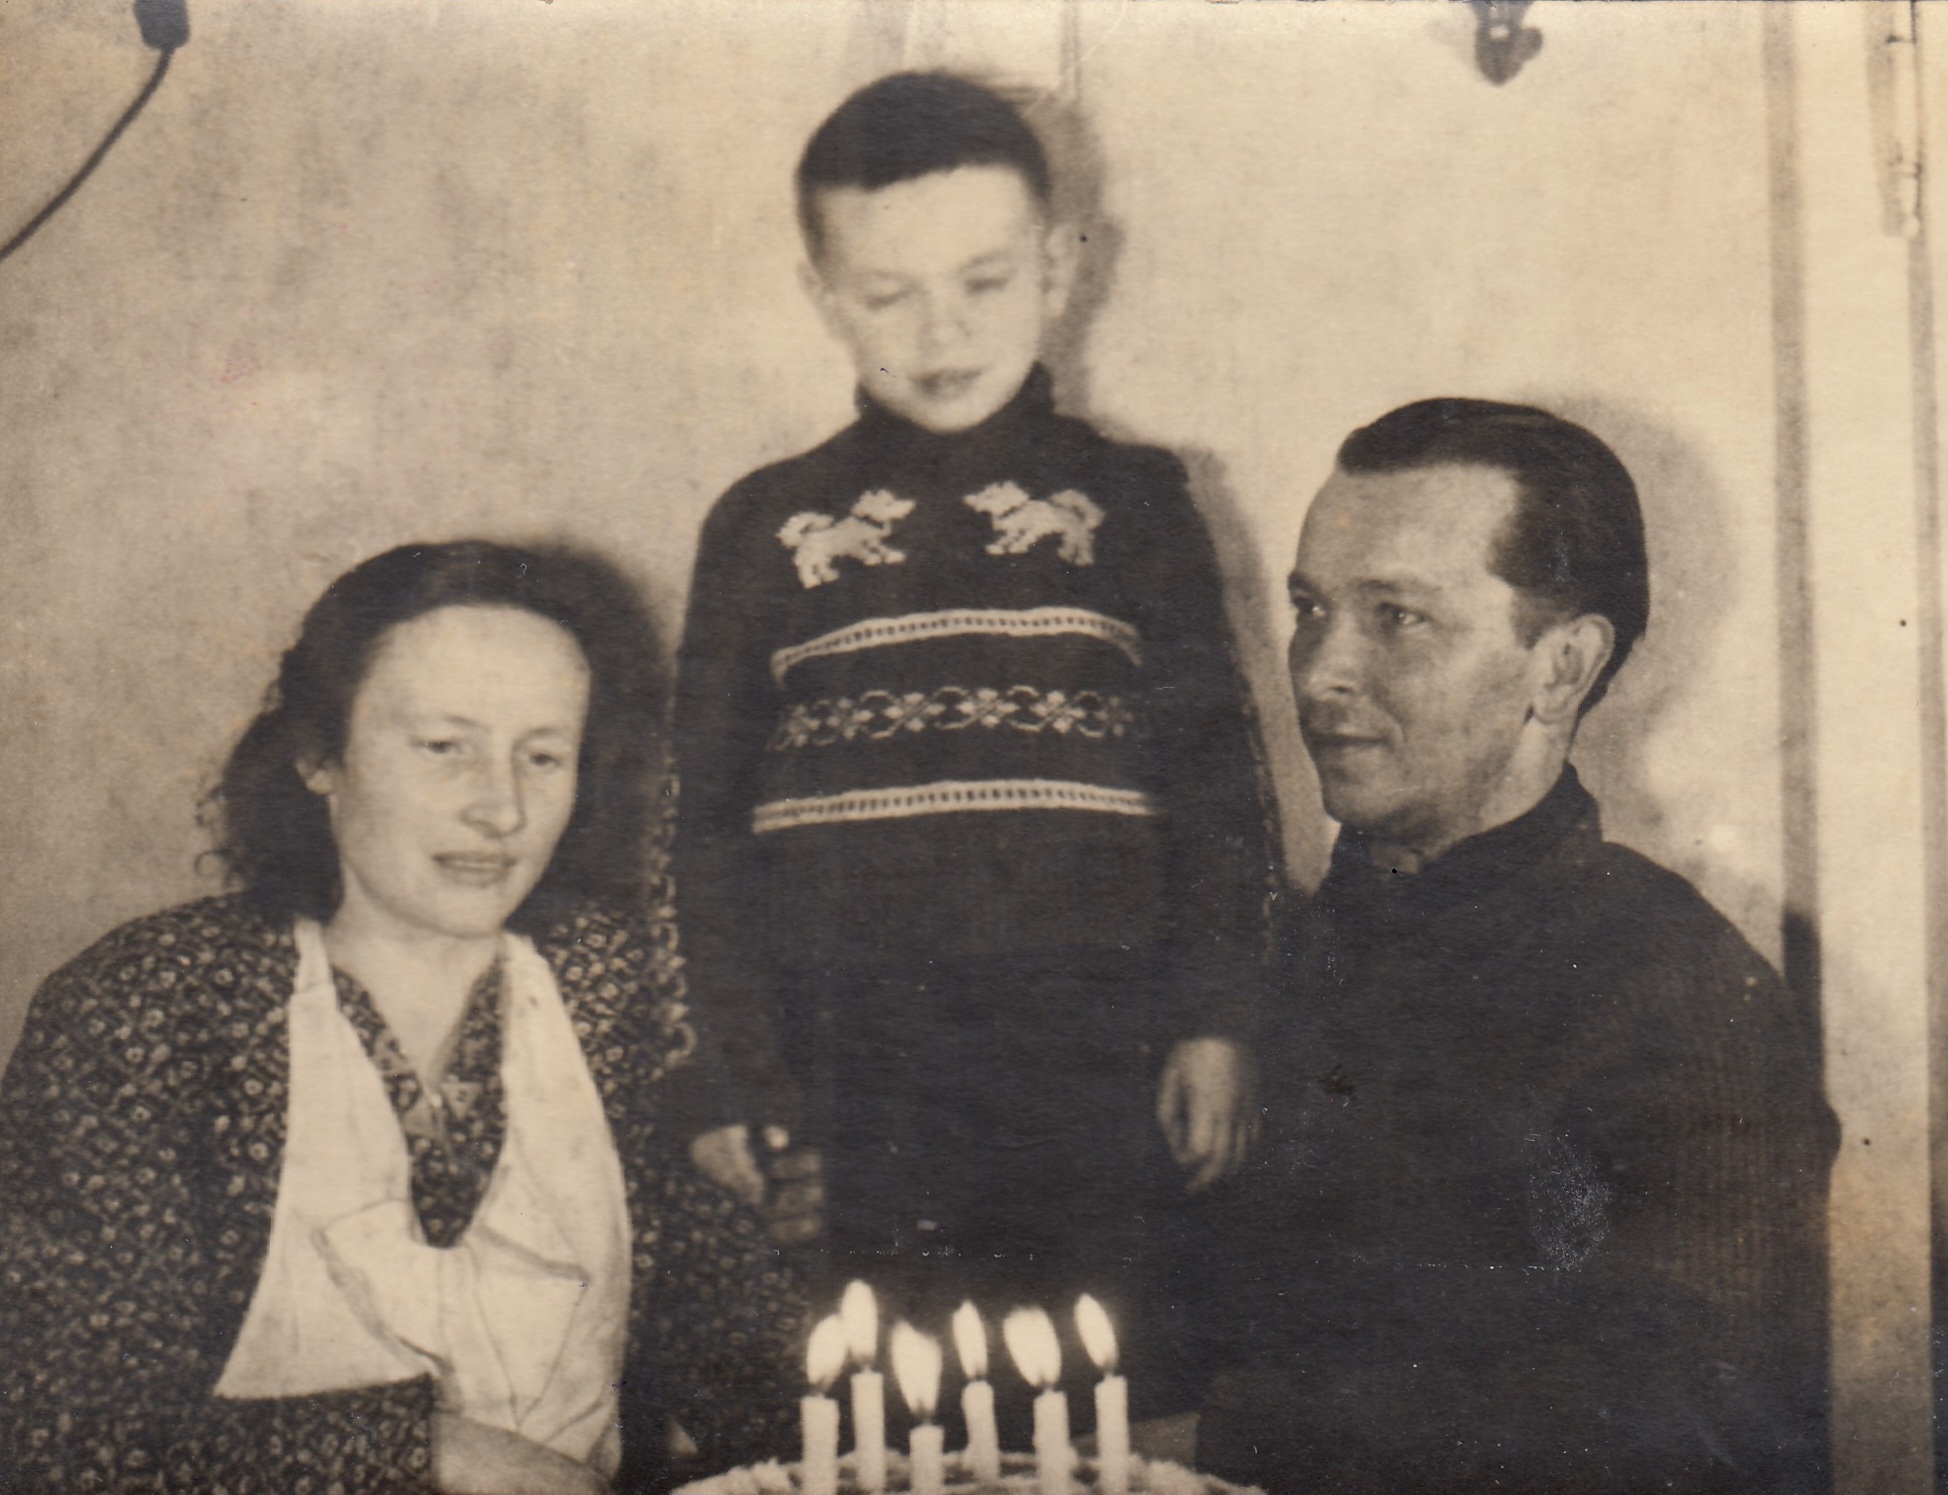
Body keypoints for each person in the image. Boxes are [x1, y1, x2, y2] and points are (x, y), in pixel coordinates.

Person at [670, 71, 1274, 1404]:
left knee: (1107, 1401)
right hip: (851, 1064)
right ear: (825, 295)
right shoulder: (764, 525)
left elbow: (1218, 785)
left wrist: (1217, 1021)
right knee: (883, 1409)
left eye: (984, 282)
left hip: (1097, 1049)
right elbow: (698, 831)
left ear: (1059, 267)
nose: (940, 330)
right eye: (887, 295)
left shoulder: (1135, 502)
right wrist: (736, 1075)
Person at [0, 542, 804, 1495]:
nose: (501, 808)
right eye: (443, 747)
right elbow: (58, 1434)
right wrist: (435, 1451)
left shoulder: (612, 989)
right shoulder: (154, 1002)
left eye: (543, 756)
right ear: (319, 754)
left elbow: (742, 1350)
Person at [1198, 400, 1838, 1494]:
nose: (1316, 673)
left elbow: (1686, 1422)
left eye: (1398, 617)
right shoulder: (1268, 956)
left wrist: (1220, 1438)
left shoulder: (1680, 993)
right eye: (1311, 609)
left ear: (1561, 667)